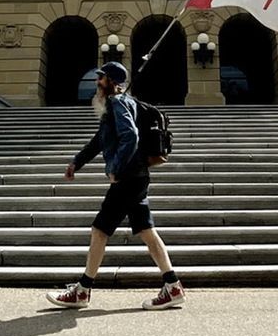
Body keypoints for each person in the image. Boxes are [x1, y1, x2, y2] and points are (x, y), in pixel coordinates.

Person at [45, 60, 185, 310]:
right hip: (137, 176)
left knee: (100, 230)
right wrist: (77, 162)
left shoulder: (117, 102)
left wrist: (115, 168)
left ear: (111, 82)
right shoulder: (121, 103)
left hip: (128, 178)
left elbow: (131, 135)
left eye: (101, 78)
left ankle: (82, 291)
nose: (97, 82)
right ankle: (173, 287)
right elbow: (100, 139)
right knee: (147, 232)